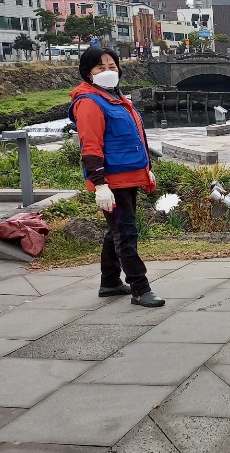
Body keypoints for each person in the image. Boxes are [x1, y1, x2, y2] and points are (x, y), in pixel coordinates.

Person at [68, 46, 164, 308]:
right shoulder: (89, 102)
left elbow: (134, 138)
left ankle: (110, 282)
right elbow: (91, 147)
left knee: (117, 231)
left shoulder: (117, 98)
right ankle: (140, 289)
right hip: (112, 181)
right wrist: (100, 184)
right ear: (88, 73)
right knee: (126, 233)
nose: (108, 71)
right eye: (100, 67)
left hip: (130, 175)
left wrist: (146, 168)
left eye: (112, 66)